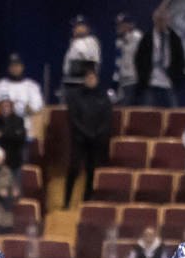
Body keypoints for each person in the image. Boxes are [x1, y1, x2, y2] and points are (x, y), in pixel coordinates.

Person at [63, 63, 112, 207]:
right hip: (80, 139)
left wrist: (97, 133)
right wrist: (86, 132)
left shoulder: (103, 97)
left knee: (92, 171)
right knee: (74, 168)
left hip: (97, 140)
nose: (91, 80)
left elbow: (107, 119)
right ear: (85, 79)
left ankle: (87, 200)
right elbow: (73, 118)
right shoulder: (75, 96)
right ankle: (66, 201)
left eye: (93, 77)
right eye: (88, 77)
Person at [138, 6, 183, 109]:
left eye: (164, 20)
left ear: (168, 20)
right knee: (147, 113)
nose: (161, 22)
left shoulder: (174, 38)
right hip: (151, 81)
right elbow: (139, 59)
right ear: (154, 20)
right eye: (159, 20)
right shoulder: (147, 37)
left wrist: (176, 76)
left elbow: (180, 60)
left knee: (174, 113)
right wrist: (144, 77)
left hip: (169, 82)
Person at [63, 16, 101, 87]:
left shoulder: (90, 41)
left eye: (78, 26)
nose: (75, 29)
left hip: (83, 83)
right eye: (75, 26)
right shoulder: (74, 42)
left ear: (86, 27)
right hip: (71, 81)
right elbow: (66, 66)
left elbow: (92, 64)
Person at [114, 13, 142, 106]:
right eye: (118, 24)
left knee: (129, 109)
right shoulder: (119, 41)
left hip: (134, 80)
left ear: (130, 25)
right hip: (122, 81)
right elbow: (118, 63)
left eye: (122, 24)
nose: (119, 27)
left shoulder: (137, 37)